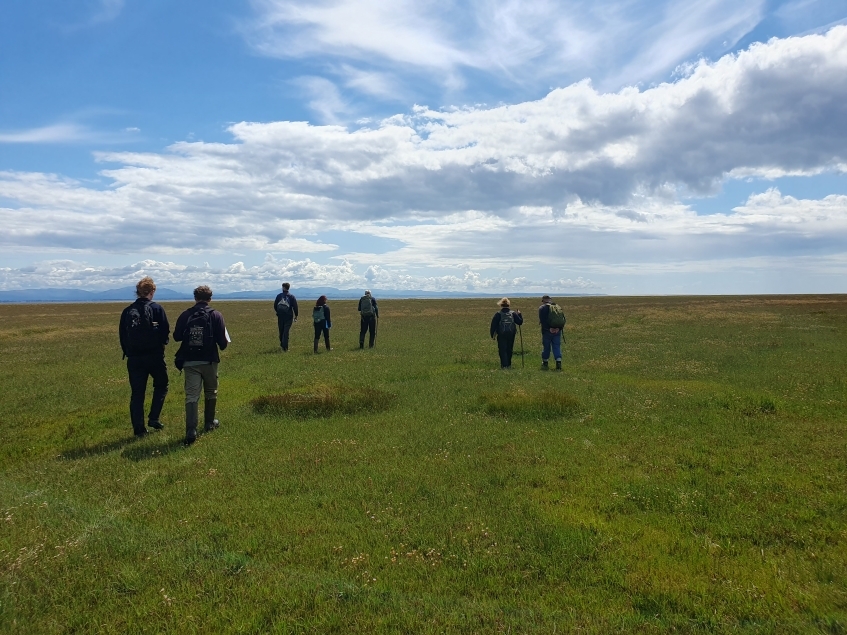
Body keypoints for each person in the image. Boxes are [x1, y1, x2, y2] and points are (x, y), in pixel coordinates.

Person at [174, 286, 229, 445]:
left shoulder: (186, 314)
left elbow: (177, 337)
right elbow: (223, 344)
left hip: (190, 361)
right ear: (210, 298)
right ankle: (209, 423)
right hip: (209, 360)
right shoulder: (216, 315)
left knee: (192, 396)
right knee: (211, 392)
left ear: (195, 298)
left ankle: (191, 430)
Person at [119, 276, 170, 437]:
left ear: (137, 292)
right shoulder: (157, 308)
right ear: (152, 291)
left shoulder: (127, 311)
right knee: (161, 385)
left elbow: (122, 335)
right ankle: (154, 417)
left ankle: (139, 429)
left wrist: (129, 352)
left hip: (134, 358)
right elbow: (165, 332)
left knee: (137, 394)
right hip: (154, 356)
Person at [490, 297, 523, 369]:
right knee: (509, 349)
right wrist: (519, 314)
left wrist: (492, 334)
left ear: (501, 305)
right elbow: (520, 322)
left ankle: (504, 365)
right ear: (509, 304)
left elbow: (493, 325)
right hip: (511, 333)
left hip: (501, 334)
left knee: (502, 349)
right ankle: (509, 364)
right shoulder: (513, 313)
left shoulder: (498, 314)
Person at [538, 294, 565, 371]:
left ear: (543, 300)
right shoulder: (557, 307)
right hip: (557, 330)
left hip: (546, 331)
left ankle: (545, 362)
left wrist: (549, 328)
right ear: (550, 300)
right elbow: (562, 319)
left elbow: (542, 320)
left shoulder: (542, 308)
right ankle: (558, 362)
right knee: (556, 346)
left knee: (546, 347)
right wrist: (558, 328)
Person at [273, 282, 299, 352]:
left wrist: (278, 312)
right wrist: (296, 315)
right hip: (289, 316)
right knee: (286, 331)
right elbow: (295, 307)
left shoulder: (279, 296)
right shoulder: (292, 296)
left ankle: (282, 344)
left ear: (283, 288)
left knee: (281, 330)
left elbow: (275, 305)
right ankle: (285, 348)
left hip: (280, 316)